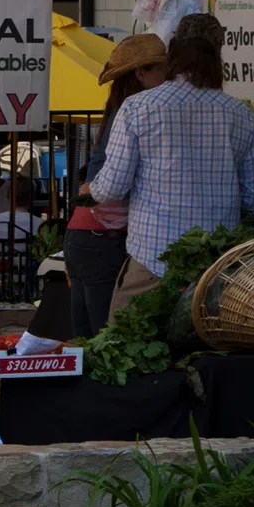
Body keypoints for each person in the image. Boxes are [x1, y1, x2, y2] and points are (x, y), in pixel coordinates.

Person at [88, 14, 254, 305]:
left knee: (128, 340)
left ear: (173, 52)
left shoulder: (138, 107)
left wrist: (91, 190)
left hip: (152, 260)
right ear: (217, 56)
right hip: (215, 266)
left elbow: (112, 189)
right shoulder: (240, 114)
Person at [65, 31, 169, 335]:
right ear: (141, 73)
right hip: (103, 238)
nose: (168, 75)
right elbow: (111, 184)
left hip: (83, 235)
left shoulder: (118, 112)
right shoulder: (134, 113)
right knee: (104, 337)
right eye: (162, 68)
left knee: (85, 337)